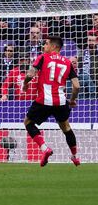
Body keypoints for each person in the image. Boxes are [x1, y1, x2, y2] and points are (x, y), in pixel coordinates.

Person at [22, 36, 81, 167]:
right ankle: (75, 157)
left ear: (54, 46)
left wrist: (25, 84)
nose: (44, 46)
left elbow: (31, 74)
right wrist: (72, 100)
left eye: (46, 44)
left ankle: (45, 149)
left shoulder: (43, 57)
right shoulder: (67, 62)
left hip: (43, 100)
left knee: (28, 123)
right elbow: (76, 86)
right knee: (66, 128)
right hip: (60, 102)